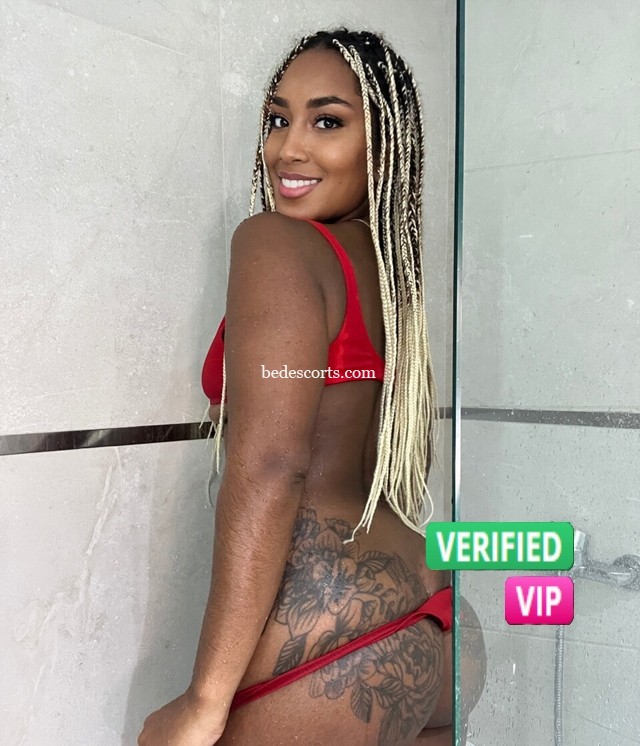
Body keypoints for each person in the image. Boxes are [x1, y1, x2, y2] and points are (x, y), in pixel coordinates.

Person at [138, 28, 485, 746]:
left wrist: (205, 700)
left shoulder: (275, 243)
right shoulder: (393, 282)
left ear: (382, 145)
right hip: (437, 617)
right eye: (277, 118)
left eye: (327, 122)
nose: (288, 148)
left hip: (330, 641)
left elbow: (273, 464)